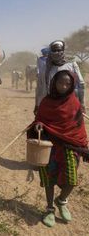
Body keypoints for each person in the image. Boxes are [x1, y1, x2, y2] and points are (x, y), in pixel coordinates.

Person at [31, 70, 88, 227]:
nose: (63, 86)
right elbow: (38, 121)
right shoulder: (46, 102)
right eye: (60, 82)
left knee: (71, 179)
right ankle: (49, 208)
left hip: (69, 146)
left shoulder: (74, 103)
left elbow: (78, 127)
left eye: (68, 84)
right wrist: (39, 125)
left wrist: (83, 145)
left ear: (72, 85)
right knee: (49, 179)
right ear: (54, 83)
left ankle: (61, 200)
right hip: (49, 146)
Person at [34, 40, 85, 115]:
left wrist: (82, 103)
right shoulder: (45, 68)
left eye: (59, 50)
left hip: (70, 104)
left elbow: (81, 84)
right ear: (50, 51)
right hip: (51, 104)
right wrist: (37, 104)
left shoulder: (72, 65)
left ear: (63, 50)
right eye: (54, 50)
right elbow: (40, 87)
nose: (57, 53)